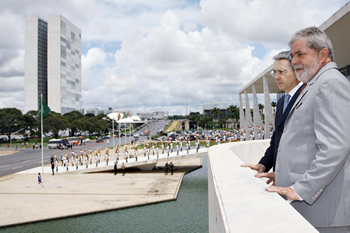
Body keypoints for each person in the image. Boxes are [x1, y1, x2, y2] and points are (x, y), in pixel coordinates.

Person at [265, 27, 350, 232]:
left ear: (323, 54)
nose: (294, 61)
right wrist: (283, 172)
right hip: (312, 211)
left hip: (324, 213)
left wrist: (301, 189)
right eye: (293, 55)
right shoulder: (315, 84)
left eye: (300, 54)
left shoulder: (330, 83)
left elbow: (335, 147)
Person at [241, 50, 302, 176]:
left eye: (282, 72)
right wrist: (263, 165)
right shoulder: (281, 102)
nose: (277, 77)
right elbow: (277, 139)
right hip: (282, 177)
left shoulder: (307, 96)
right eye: (275, 72)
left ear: (297, 72)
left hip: (301, 179)